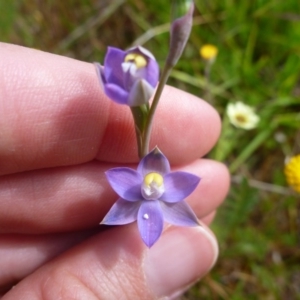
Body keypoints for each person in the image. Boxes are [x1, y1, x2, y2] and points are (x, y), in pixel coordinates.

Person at [0, 43, 230, 299]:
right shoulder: (129, 183)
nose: (151, 184)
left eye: (154, 181)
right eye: (149, 181)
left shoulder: (169, 190)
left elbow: (175, 201)